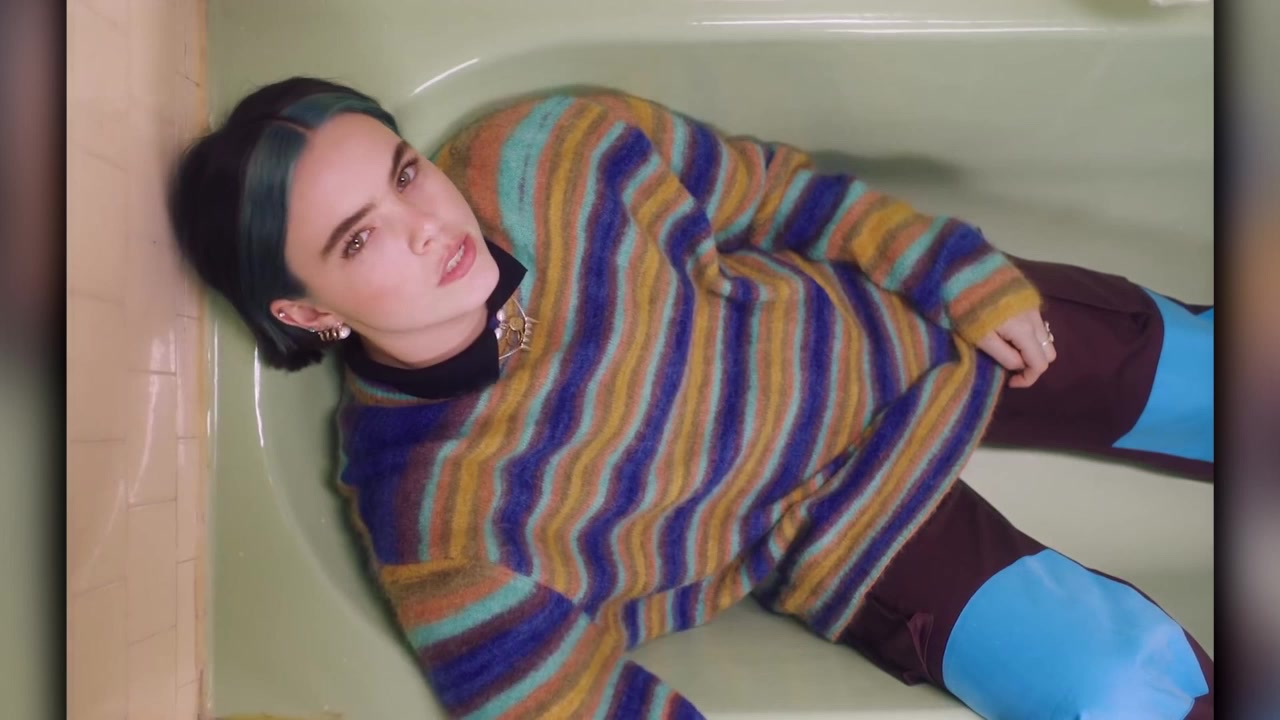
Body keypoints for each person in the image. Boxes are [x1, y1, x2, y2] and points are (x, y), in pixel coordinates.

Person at [170, 76, 1214, 719]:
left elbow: (774, 194)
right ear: (308, 312)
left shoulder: (545, 155)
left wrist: (948, 271)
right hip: (840, 524)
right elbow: (572, 708)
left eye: (405, 172)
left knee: (1213, 376)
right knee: (1119, 693)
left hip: (897, 324)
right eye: (360, 238)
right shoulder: (441, 524)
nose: (428, 225)